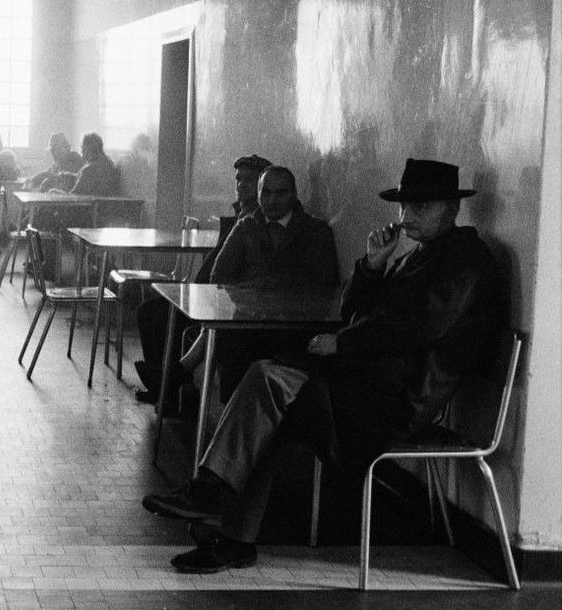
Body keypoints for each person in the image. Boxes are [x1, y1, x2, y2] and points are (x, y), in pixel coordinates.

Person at [142, 159, 503, 574]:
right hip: (371, 384)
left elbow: (417, 327)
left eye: (421, 207)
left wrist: (341, 344)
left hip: (401, 401)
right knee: (266, 392)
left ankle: (215, 502)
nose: (407, 216)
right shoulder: (418, 256)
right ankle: (224, 519)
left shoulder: (464, 260)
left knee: (267, 385)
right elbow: (356, 313)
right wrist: (371, 265)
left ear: (452, 210)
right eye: (404, 206)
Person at [132, 154, 270, 403]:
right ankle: (164, 388)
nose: (241, 184)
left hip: (222, 300)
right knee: (149, 311)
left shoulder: (257, 223)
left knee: (161, 316)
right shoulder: (239, 217)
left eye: (249, 180)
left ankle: (168, 388)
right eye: (238, 179)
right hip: (207, 294)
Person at [195, 165, 339, 400]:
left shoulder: (315, 231)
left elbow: (324, 283)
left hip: (295, 326)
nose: (272, 200)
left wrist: (272, 286)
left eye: (281, 193)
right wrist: (250, 295)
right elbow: (218, 275)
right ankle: (233, 418)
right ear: (259, 195)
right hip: (248, 322)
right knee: (228, 340)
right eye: (266, 193)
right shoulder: (245, 227)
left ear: (294, 194)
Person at [66, 132, 121, 197]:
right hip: (105, 204)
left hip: (89, 205)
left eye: (82, 147)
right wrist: (71, 176)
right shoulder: (108, 163)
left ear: (88, 148)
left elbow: (72, 196)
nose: (81, 151)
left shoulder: (89, 170)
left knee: (53, 191)